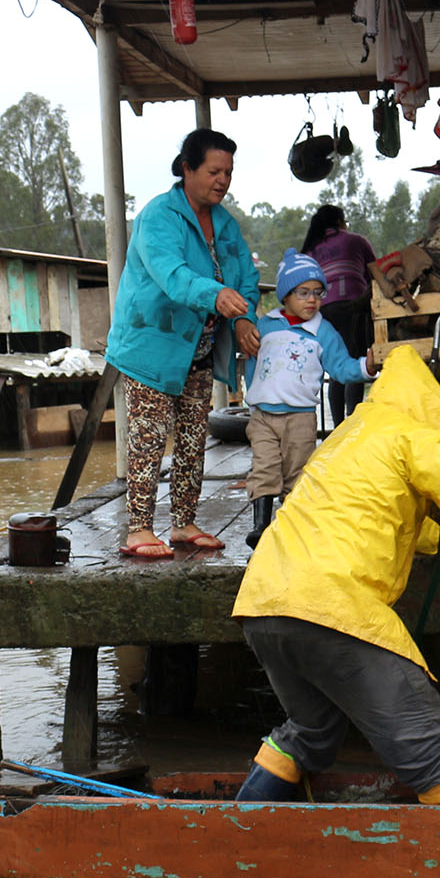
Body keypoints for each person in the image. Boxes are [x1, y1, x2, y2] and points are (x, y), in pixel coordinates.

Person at [230, 342, 440, 806]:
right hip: (331, 604)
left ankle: (233, 833)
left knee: (311, 730)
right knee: (427, 746)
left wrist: (436, 542)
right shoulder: (408, 432)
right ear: (430, 403)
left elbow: (370, 509)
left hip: (263, 601)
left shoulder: (347, 436)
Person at [105, 129, 261, 559]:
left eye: (228, 171)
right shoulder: (158, 217)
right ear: (187, 168)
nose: (223, 180)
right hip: (151, 347)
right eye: (214, 171)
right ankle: (138, 529)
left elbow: (245, 276)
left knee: (193, 440)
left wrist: (245, 315)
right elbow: (171, 274)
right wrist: (214, 293)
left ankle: (183, 524)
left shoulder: (225, 223)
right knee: (149, 440)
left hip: (199, 349)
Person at [242, 249, 379, 547]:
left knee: (297, 473)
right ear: (285, 296)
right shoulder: (264, 326)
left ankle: (292, 529)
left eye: (318, 293)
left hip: (301, 417)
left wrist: (365, 367)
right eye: (303, 292)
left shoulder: (323, 331)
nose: (312, 300)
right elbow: (250, 362)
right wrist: (253, 397)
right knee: (264, 467)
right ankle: (261, 527)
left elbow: (341, 367)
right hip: (263, 416)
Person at [301, 204, 379, 426]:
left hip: (321, 310)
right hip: (351, 307)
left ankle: (337, 428)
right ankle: (352, 424)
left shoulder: (310, 249)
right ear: (340, 222)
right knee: (354, 363)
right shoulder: (356, 241)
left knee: (335, 367)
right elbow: (375, 277)